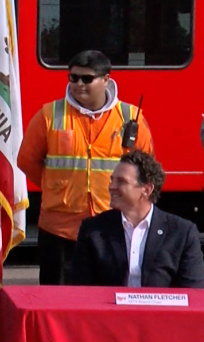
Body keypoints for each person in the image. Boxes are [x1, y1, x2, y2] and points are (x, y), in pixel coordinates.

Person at [18, 50, 154, 285]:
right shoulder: (49, 115)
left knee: (108, 302)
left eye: (87, 78)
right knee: (57, 303)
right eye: (73, 78)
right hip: (60, 229)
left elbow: (147, 167)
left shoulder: (131, 118)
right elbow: (27, 160)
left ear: (106, 80)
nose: (79, 84)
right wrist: (58, 188)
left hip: (114, 225)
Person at [70, 151, 204, 288]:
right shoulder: (93, 230)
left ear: (146, 189)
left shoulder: (182, 233)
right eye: (112, 180)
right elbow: (81, 291)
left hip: (161, 310)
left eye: (121, 181)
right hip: (109, 309)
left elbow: (192, 294)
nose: (111, 187)